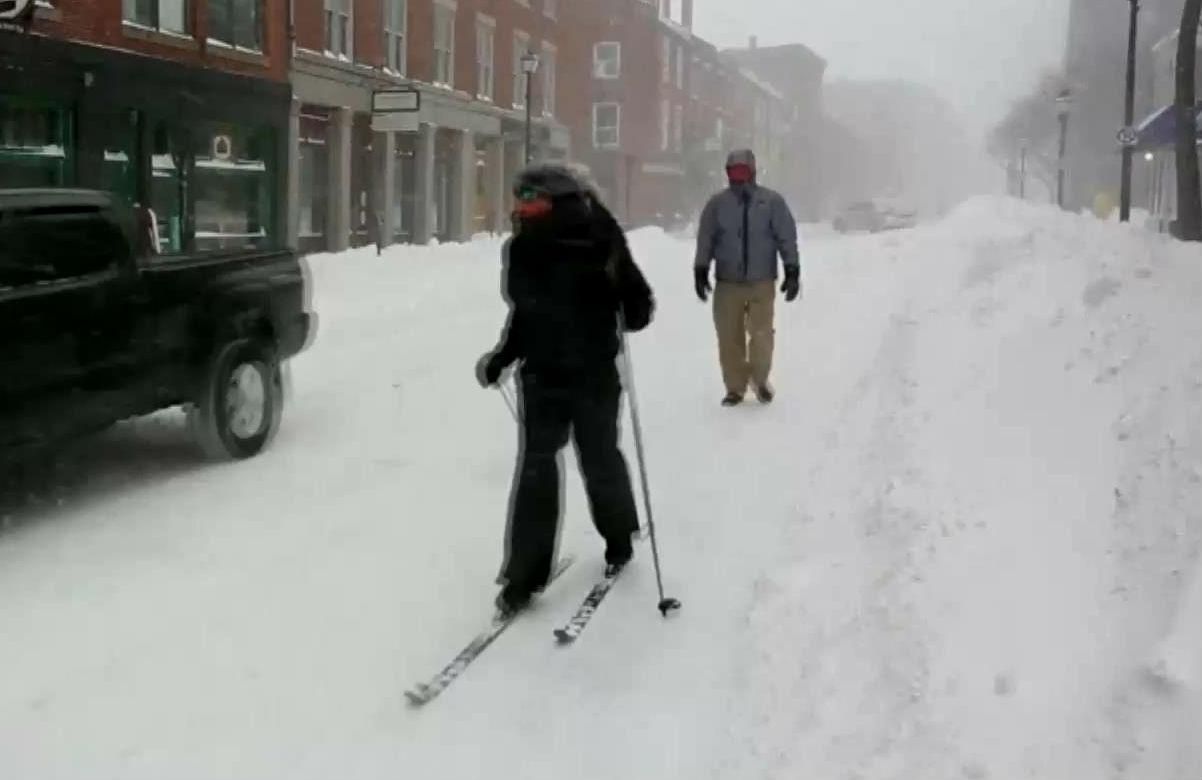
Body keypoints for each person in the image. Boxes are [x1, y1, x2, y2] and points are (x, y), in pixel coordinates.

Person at [477, 163, 655, 617]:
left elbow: (639, 306)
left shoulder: (601, 238)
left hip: (593, 373)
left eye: (530, 199)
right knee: (537, 468)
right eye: (519, 199)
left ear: (557, 200)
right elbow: (527, 312)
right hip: (542, 375)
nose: (521, 208)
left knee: (598, 457)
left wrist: (623, 297)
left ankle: (619, 535)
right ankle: (522, 576)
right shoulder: (522, 248)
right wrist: (504, 356)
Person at [693, 149, 801, 406]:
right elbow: (706, 237)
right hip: (727, 282)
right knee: (729, 337)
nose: (737, 178)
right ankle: (735, 387)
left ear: (752, 172)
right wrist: (700, 268)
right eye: (732, 172)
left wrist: (792, 268)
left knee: (762, 334)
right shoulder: (717, 204)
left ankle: (760, 379)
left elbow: (786, 236)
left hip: (761, 280)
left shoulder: (771, 202)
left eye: (742, 172)